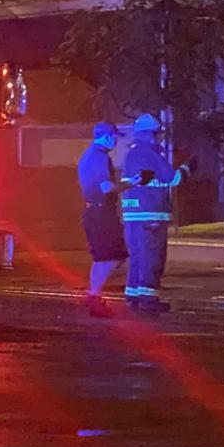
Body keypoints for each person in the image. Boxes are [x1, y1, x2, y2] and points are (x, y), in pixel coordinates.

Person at [76, 121, 144, 317]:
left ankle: (94, 296)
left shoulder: (88, 156)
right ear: (106, 135)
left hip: (93, 212)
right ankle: (94, 295)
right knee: (113, 256)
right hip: (101, 214)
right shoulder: (100, 157)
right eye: (114, 136)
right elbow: (106, 188)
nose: (115, 140)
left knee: (103, 257)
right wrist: (130, 184)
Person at [121, 113, 187, 314]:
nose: (158, 138)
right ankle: (149, 299)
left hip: (132, 213)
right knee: (152, 257)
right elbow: (173, 179)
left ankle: (133, 295)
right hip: (152, 213)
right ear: (150, 134)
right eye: (157, 134)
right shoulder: (151, 153)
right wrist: (186, 168)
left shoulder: (130, 154)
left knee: (138, 257)